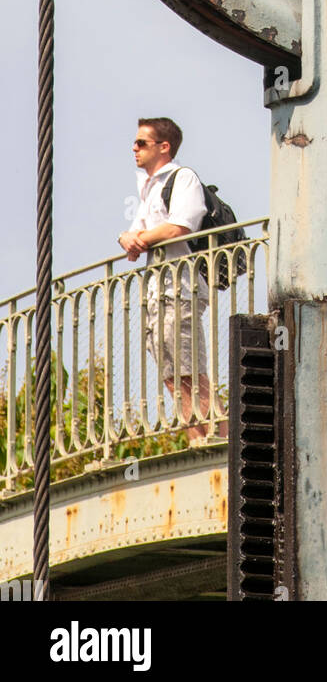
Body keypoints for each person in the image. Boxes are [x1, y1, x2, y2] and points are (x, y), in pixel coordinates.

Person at [118, 117, 212, 443]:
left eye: (141, 143)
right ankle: (196, 436)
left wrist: (139, 238)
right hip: (159, 292)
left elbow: (180, 226)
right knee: (172, 373)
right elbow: (134, 235)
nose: (134, 148)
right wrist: (127, 238)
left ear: (164, 146)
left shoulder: (182, 178)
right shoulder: (150, 188)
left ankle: (214, 439)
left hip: (181, 288)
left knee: (189, 369)